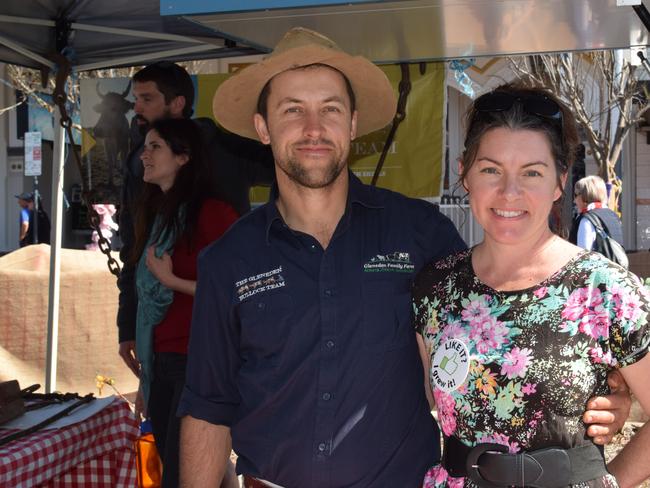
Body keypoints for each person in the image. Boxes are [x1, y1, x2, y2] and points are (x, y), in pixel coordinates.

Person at [177, 28, 630, 488]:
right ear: (262, 126)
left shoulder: (422, 234)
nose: (313, 128)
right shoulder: (228, 260)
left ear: (352, 123)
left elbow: (501, 331)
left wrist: (610, 387)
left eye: (330, 109)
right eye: (292, 110)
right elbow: (207, 408)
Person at [413, 84, 650, 487]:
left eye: (532, 173)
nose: (510, 192)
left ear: (560, 181)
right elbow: (431, 400)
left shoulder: (604, 289)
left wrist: (612, 480)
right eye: (490, 169)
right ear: (464, 173)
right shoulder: (436, 288)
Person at [117, 61, 274, 378]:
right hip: (161, 336)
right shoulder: (139, 164)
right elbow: (134, 252)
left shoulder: (226, 149)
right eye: (136, 99)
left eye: (147, 99)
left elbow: (291, 169)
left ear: (177, 104)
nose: (137, 108)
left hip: (215, 335)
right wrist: (128, 324)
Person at [132, 118, 239, 488]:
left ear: (183, 157)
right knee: (184, 472)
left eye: (155, 146)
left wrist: (171, 281)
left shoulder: (213, 213)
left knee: (182, 477)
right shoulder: (159, 215)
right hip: (162, 361)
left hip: (200, 362)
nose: (144, 154)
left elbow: (237, 291)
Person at [570, 174, 624, 252]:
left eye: (575, 195)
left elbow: (583, 255)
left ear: (585, 196)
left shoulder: (587, 220)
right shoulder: (613, 216)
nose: (574, 200)